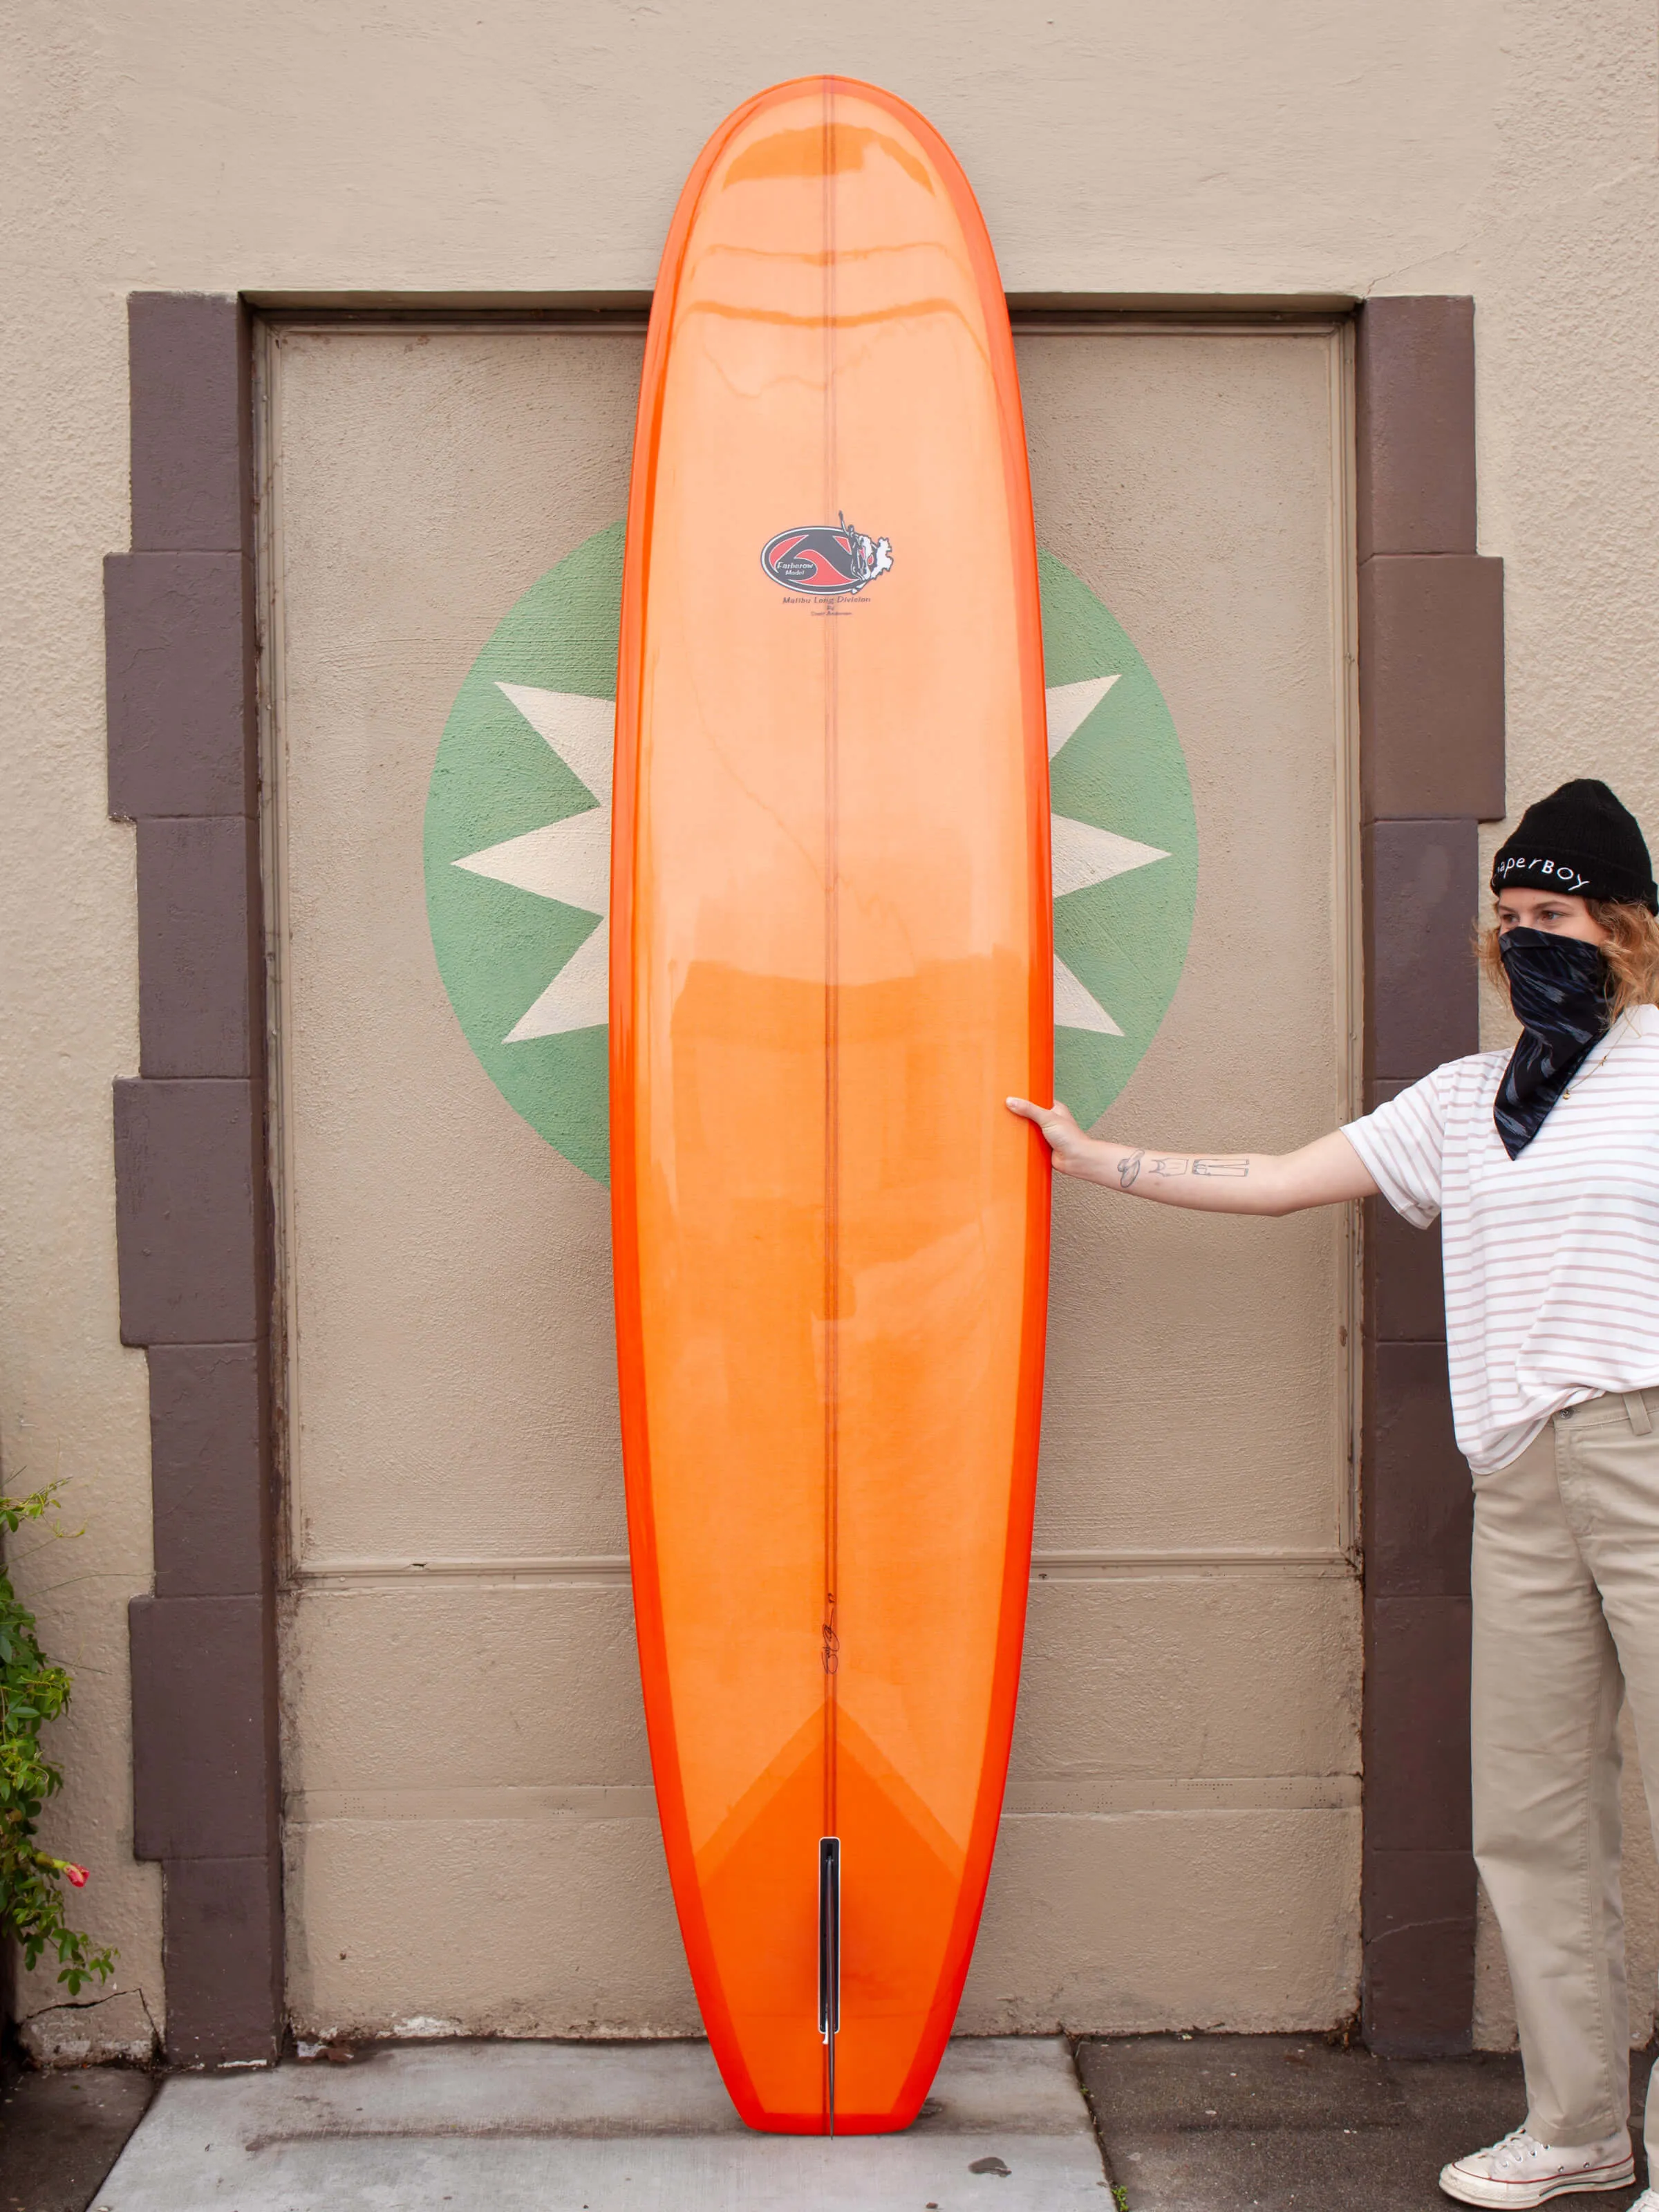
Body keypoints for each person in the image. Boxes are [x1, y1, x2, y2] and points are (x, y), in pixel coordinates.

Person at [1009, 778, 1659, 2211]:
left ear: (1624, 928)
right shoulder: (1463, 1104)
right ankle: (1581, 2129)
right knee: (1537, 1817)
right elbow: (1282, 1175)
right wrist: (1092, 1154)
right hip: (1520, 1479)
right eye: (1510, 920)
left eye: (1554, 915)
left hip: (1647, 1443)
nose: (1526, 940)